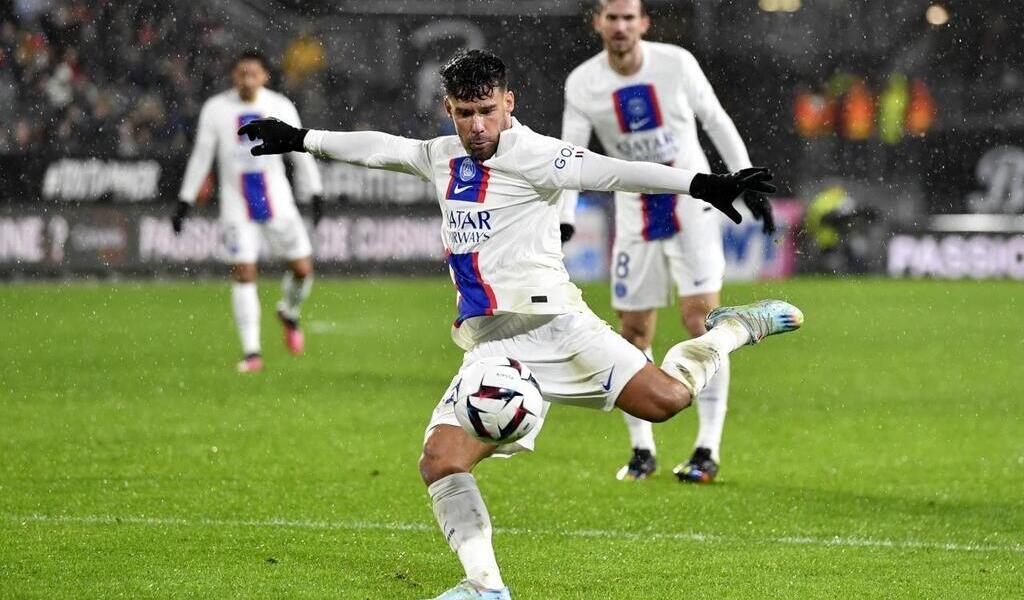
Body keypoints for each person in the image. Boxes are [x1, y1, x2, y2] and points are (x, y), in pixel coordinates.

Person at [238, 48, 801, 600]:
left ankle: (731, 329)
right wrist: (300, 138)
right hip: (489, 346)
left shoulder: (538, 155)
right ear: (450, 111)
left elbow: (614, 172)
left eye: (487, 110)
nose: (477, 125)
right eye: (464, 113)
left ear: (509, 103)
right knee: (440, 460)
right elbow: (381, 148)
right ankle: (485, 586)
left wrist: (703, 184)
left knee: (668, 401)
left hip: (556, 324)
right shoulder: (441, 156)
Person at [558, 0, 776, 483]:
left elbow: (715, 119)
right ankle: (642, 450)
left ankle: (706, 449)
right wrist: (566, 216)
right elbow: (571, 157)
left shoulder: (676, 63)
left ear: (643, 23)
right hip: (635, 211)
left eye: (628, 17)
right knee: (633, 331)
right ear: (598, 23)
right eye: (611, 17)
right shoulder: (583, 83)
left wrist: (741, 177)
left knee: (701, 321)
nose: (620, 26)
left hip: (691, 204)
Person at [174, 49, 324, 373]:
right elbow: (202, 156)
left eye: (252, 74)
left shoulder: (280, 106)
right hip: (236, 204)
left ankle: (289, 311)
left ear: (264, 76)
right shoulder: (216, 109)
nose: (246, 79)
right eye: (241, 73)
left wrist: (314, 192)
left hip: (278, 202)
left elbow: (300, 150)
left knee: (301, 270)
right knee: (244, 272)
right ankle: (252, 352)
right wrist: (185, 200)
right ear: (234, 76)